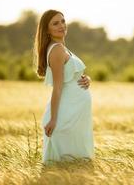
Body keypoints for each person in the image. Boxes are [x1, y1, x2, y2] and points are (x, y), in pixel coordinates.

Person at [33, 9, 94, 165]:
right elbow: (58, 87)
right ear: (47, 30)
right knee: (67, 165)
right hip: (67, 115)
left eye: (63, 21)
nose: (61, 25)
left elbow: (70, 76)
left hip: (75, 114)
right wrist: (54, 120)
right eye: (55, 23)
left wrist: (86, 79)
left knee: (75, 165)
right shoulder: (57, 50)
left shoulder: (61, 47)